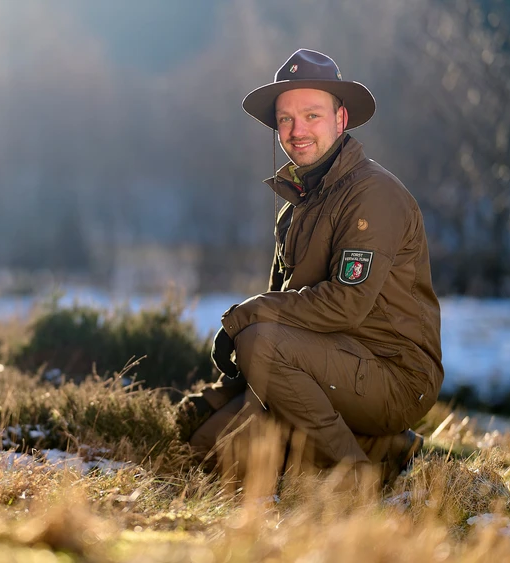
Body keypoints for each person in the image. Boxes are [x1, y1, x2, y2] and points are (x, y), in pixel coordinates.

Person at [178, 49, 443, 488]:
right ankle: (387, 449)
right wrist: (220, 395)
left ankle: (353, 480)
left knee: (260, 343)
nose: (297, 131)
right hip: (328, 365)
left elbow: (343, 306)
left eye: (312, 115)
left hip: (394, 375)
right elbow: (285, 316)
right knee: (209, 449)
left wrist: (243, 318)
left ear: (341, 120)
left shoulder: (372, 195)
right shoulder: (298, 207)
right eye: (285, 119)